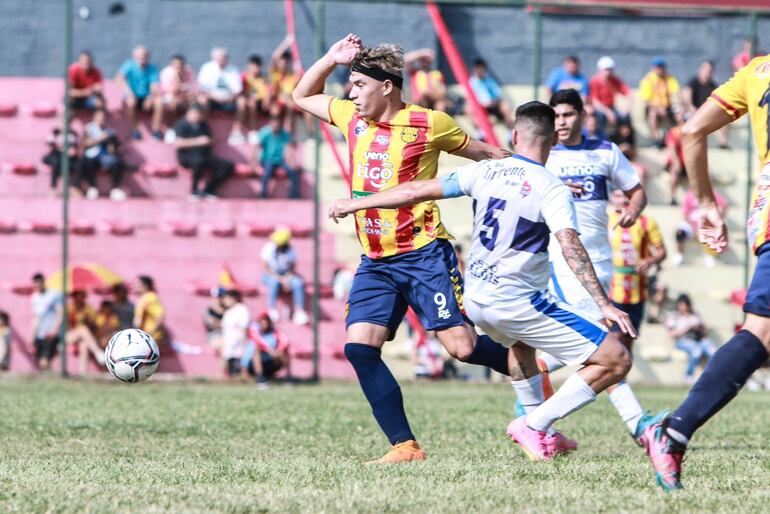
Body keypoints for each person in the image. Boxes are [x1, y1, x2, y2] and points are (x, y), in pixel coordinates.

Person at [329, 101, 638, 461]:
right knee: (615, 358)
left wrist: (356, 204)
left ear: (515, 134)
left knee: (520, 349)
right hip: (518, 301)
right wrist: (604, 304)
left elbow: (414, 191)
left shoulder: (486, 171)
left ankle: (545, 438)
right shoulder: (552, 188)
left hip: (477, 298)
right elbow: (569, 244)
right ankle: (535, 424)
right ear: (554, 140)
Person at [292, 33, 512, 463]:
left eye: (358, 85)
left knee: (462, 349)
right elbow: (301, 94)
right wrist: (331, 59)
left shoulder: (431, 123)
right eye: (349, 85)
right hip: (376, 260)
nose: (349, 93)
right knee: (359, 348)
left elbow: (485, 153)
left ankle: (529, 367)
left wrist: (531, 173)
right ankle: (405, 446)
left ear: (386, 87)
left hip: (425, 253)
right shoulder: (350, 119)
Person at [638, 52, 770, 492]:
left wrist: (708, 206)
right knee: (762, 331)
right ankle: (674, 431)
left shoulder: (757, 71)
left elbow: (692, 129)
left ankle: (673, 430)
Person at [523, 89, 661, 445]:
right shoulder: (544, 154)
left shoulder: (605, 151)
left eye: (568, 114)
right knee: (605, 342)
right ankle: (638, 425)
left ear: (583, 115)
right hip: (563, 260)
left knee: (586, 347)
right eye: (556, 115)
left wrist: (633, 209)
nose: (562, 122)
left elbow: (636, 190)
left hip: (601, 262)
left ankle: (532, 382)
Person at [608, 189, 667, 340]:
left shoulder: (647, 222)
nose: (623, 200)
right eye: (617, 196)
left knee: (630, 337)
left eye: (626, 196)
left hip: (637, 289)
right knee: (616, 336)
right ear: (611, 198)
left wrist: (649, 260)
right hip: (611, 288)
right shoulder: (605, 220)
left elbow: (662, 252)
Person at [173, 104, 234, 200]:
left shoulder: (203, 124)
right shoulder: (181, 124)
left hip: (204, 154)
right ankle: (194, 191)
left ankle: (208, 190)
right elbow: (179, 143)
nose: (197, 116)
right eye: (196, 113)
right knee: (198, 162)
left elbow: (210, 139)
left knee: (226, 166)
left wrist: (208, 141)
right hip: (187, 156)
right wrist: (198, 141)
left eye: (200, 114)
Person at [261, 228, 308, 324]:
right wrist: (279, 279)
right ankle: (272, 308)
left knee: (298, 283)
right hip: (271, 275)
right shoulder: (268, 248)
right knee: (274, 282)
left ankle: (299, 310)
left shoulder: (291, 251)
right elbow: (266, 268)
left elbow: (292, 268)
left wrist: (286, 278)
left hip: (286, 274)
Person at [197, 47, 244, 144]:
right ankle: (204, 130)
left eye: (223, 58)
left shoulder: (233, 69)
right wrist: (215, 98)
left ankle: (237, 132)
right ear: (214, 59)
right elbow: (203, 89)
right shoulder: (207, 68)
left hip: (229, 100)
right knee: (202, 101)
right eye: (219, 58)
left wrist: (229, 98)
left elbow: (237, 90)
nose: (221, 61)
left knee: (242, 102)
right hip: (212, 99)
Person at [666, 294, 716, 385]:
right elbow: (671, 334)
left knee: (712, 350)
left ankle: (715, 376)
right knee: (696, 351)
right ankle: (688, 376)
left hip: (698, 340)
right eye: (681, 304)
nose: (683, 307)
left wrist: (700, 328)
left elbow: (705, 334)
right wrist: (687, 327)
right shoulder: (674, 316)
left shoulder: (695, 315)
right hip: (683, 341)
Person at [116, 45, 163, 140]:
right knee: (130, 102)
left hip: (146, 96)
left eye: (145, 57)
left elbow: (154, 86)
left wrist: (150, 97)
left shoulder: (152, 68)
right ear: (134, 57)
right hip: (132, 96)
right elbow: (119, 78)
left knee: (159, 102)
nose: (143, 60)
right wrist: (127, 91)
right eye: (140, 57)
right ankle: (135, 130)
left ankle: (156, 130)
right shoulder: (128, 65)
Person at [79, 109, 127, 201]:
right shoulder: (89, 129)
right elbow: (85, 143)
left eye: (103, 117)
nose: (101, 119)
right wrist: (99, 138)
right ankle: (92, 187)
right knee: (87, 162)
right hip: (92, 156)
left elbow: (117, 147)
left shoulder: (110, 132)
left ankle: (116, 189)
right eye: (99, 117)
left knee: (118, 162)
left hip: (106, 157)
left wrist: (115, 148)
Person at [673, 189, 728, 267]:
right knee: (680, 233)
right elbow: (684, 214)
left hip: (707, 224)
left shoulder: (711, 193)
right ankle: (679, 255)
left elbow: (723, 205)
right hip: (690, 224)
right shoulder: (689, 195)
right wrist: (694, 226)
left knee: (714, 231)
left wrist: (718, 217)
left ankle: (710, 256)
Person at [253, 113, 301, 199]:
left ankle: (294, 195)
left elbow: (292, 145)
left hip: (280, 160)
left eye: (278, 124)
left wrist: (293, 162)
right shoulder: (265, 132)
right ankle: (263, 195)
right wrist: (254, 163)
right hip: (267, 160)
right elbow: (257, 147)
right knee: (266, 173)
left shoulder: (284, 133)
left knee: (293, 171)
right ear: (270, 123)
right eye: (274, 123)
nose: (276, 125)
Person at [684, 60, 729, 149]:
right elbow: (687, 99)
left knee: (725, 119)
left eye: (710, 71)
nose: (707, 73)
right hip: (693, 113)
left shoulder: (712, 85)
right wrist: (692, 108)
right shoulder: (693, 82)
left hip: (705, 113)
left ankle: (722, 143)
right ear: (701, 70)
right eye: (706, 71)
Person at [639, 57, 680, 147]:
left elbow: (676, 93)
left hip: (668, 107)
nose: (660, 69)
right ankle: (655, 140)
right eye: (658, 67)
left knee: (679, 115)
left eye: (662, 67)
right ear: (653, 68)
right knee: (652, 114)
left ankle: (679, 139)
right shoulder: (648, 80)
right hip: (654, 108)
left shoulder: (669, 78)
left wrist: (678, 107)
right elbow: (646, 100)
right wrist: (659, 108)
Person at [243, 311, 292, 387]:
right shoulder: (254, 332)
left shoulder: (276, 333)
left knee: (284, 352)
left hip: (270, 361)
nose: (264, 323)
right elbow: (259, 342)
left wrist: (278, 350)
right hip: (252, 364)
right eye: (262, 321)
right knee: (257, 349)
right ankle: (260, 378)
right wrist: (270, 350)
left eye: (266, 321)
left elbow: (285, 341)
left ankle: (288, 377)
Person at [588, 56, 632, 137]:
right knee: (600, 116)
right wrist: (608, 112)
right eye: (606, 69)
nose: (608, 72)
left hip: (611, 107)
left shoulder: (614, 80)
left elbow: (628, 92)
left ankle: (625, 140)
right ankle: (601, 139)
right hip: (599, 108)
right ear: (600, 70)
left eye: (610, 69)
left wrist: (626, 108)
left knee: (625, 117)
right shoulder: (594, 81)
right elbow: (595, 102)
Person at [66, 290, 105, 375]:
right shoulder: (69, 308)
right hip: (69, 335)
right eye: (81, 295)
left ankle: (83, 372)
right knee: (83, 329)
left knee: (84, 344)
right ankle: (97, 352)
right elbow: (66, 325)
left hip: (84, 336)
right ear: (75, 297)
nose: (83, 297)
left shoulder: (88, 308)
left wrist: (89, 320)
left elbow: (95, 324)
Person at [468, 58, 514, 132]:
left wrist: (492, 102)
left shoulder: (490, 80)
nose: (479, 71)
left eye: (481, 68)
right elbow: (470, 97)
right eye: (478, 68)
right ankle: (480, 132)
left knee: (506, 107)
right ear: (475, 69)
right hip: (479, 106)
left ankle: (509, 132)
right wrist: (481, 104)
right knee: (469, 108)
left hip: (493, 105)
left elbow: (497, 95)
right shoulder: (471, 82)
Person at [30, 272, 63, 371]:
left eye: (38, 282)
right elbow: (35, 318)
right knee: (41, 363)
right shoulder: (35, 297)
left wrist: (55, 330)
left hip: (50, 334)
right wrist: (31, 336)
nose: (37, 284)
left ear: (43, 282)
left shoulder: (53, 295)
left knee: (44, 361)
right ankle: (53, 378)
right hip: (39, 335)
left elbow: (60, 313)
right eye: (35, 282)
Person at [238, 55, 271, 140]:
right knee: (245, 103)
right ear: (248, 66)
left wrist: (265, 99)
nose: (255, 69)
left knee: (253, 103)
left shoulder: (264, 78)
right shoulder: (244, 77)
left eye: (257, 66)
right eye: (253, 66)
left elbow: (267, 92)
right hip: (248, 101)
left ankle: (254, 130)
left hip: (260, 103)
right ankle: (241, 130)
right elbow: (239, 91)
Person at [220, 289, 251, 379]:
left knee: (238, 371)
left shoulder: (241, 309)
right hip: (228, 346)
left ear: (234, 298)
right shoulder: (228, 312)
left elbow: (244, 327)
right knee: (230, 371)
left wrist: (245, 344)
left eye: (226, 298)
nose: (224, 300)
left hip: (238, 347)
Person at [42, 126, 79, 196]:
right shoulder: (54, 132)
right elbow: (51, 146)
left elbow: (75, 148)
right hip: (55, 155)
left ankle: (75, 187)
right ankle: (53, 187)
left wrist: (73, 151)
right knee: (56, 162)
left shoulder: (73, 133)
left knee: (78, 164)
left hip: (68, 158)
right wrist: (64, 150)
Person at [134, 275, 167, 346]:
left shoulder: (150, 298)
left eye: (137, 283)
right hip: (145, 338)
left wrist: (150, 334)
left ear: (145, 285)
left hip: (150, 338)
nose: (135, 285)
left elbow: (160, 316)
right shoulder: (143, 298)